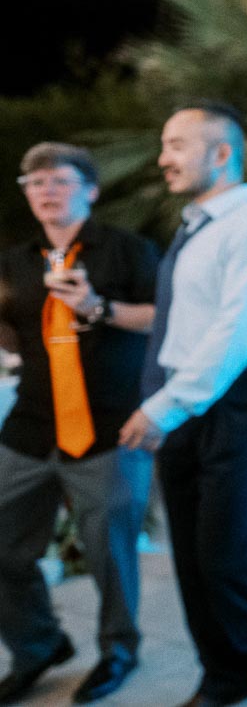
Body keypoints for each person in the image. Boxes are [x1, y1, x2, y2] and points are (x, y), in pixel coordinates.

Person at [119, 102, 247, 707]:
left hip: (242, 401)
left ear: (221, 154)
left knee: (228, 553)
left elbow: (236, 335)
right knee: (193, 558)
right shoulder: (196, 227)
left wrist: (163, 408)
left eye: (177, 144)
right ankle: (223, 678)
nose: (163, 157)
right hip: (191, 397)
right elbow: (185, 324)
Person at [0, 143, 157, 704]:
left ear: (89, 190)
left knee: (110, 555)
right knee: (4, 548)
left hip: (110, 430)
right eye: (34, 182)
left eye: (58, 181)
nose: (45, 191)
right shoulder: (16, 261)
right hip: (29, 428)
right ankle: (37, 645)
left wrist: (98, 306)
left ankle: (119, 651)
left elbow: (164, 320)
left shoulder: (128, 251)